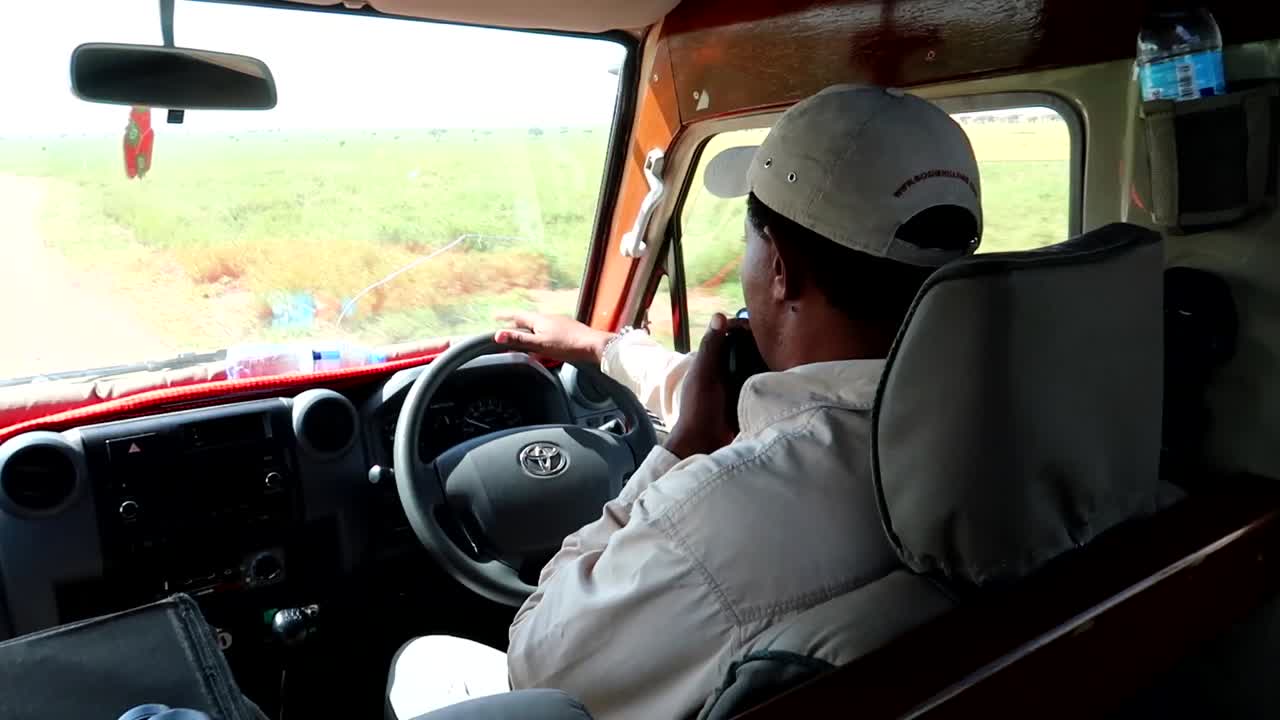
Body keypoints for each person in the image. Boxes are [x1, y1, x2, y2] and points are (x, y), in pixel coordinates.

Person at [386, 84, 983, 720]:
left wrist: (679, 451)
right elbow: (795, 410)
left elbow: (540, 661)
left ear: (777, 266)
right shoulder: (990, 411)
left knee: (423, 663)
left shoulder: (716, 517)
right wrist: (601, 347)